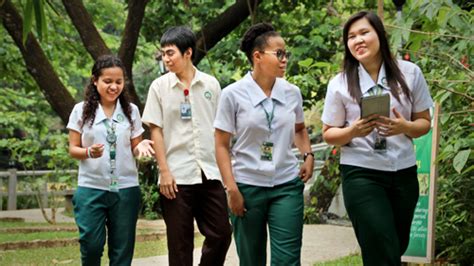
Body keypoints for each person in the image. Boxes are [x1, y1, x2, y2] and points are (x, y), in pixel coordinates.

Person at [321, 11, 433, 265]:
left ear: (379, 34)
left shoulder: (410, 73)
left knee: (395, 244)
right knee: (381, 242)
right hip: (361, 173)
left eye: (364, 33)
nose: (357, 40)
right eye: (351, 37)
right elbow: (329, 134)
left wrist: (403, 126)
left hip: (403, 172)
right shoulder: (339, 83)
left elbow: (424, 123)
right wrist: (352, 131)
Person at [214, 22, 314, 266]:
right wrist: (232, 190)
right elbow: (221, 145)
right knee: (251, 260)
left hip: (286, 185)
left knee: (288, 260)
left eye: (285, 53)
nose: (284, 59)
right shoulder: (232, 94)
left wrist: (308, 155)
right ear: (257, 56)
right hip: (247, 187)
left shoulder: (292, 92)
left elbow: (299, 130)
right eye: (278, 53)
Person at [142, 26, 232, 266]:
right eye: (163, 53)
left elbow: (220, 131)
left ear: (188, 53)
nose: (166, 58)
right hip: (176, 176)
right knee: (180, 245)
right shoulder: (159, 87)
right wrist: (164, 172)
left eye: (170, 53)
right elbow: (156, 130)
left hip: (209, 173)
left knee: (221, 233)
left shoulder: (211, 85)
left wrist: (226, 173)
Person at [67, 54, 154, 265]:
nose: (114, 87)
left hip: (125, 189)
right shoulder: (80, 110)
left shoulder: (131, 111)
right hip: (91, 188)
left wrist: (141, 146)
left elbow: (135, 146)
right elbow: (73, 148)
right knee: (91, 245)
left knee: (122, 251)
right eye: (108, 81)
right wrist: (88, 152)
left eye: (119, 81)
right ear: (95, 80)